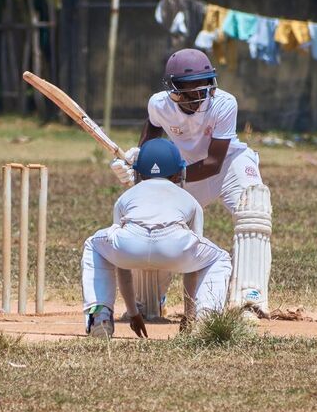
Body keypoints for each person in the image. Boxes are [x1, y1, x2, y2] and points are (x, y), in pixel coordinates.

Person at [110, 48, 272, 314]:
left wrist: (165, 177)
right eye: (191, 93)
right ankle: (149, 301)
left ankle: (249, 299)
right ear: (174, 90)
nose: (200, 98)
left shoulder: (224, 103)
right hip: (186, 170)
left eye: (204, 89)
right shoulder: (159, 105)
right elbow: (150, 145)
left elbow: (213, 162)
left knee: (253, 204)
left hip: (228, 165)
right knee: (152, 217)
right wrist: (137, 166)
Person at [83, 139, 232, 339]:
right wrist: (189, 316)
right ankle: (205, 320)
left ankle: (99, 317)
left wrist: (133, 312)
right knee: (218, 258)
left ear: (138, 172)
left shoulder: (126, 197)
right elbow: (193, 269)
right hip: (175, 246)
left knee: (94, 244)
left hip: (129, 245)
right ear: (179, 172)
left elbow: (122, 267)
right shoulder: (190, 200)